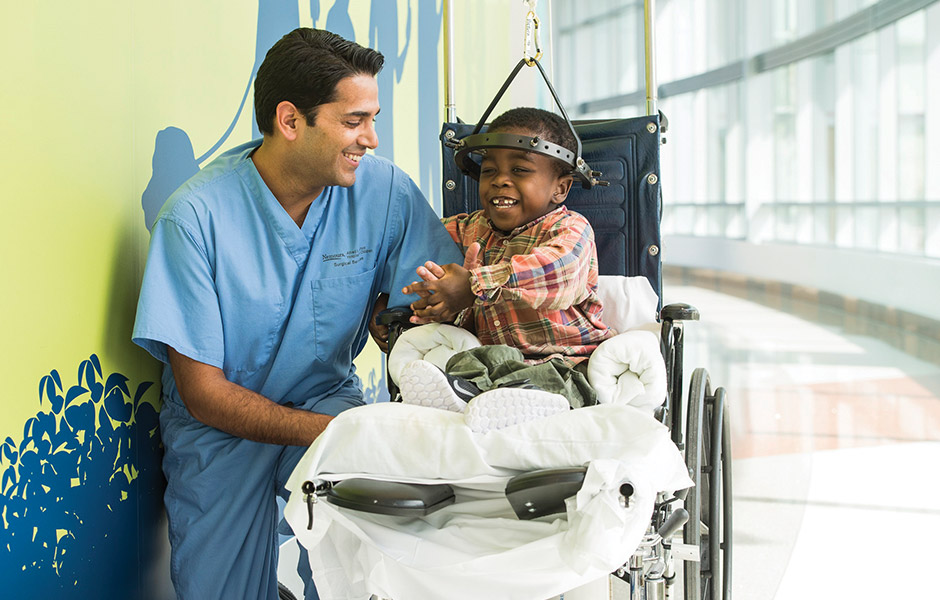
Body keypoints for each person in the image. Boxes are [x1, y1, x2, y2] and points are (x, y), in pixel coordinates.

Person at [131, 28, 462, 600]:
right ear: (290, 120)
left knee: (368, 569)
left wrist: (450, 297)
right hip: (219, 430)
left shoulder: (382, 191)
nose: (372, 139)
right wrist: (339, 431)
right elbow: (205, 393)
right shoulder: (194, 219)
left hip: (322, 399)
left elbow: (427, 306)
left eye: (373, 119)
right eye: (355, 120)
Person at [377, 107, 615, 431]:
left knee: (554, 383)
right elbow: (413, 252)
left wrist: (472, 285)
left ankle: (506, 405)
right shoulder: (467, 230)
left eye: (519, 170)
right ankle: (466, 399)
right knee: (461, 366)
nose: (500, 180)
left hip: (564, 362)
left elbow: (558, 272)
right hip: (492, 363)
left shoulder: (569, 229)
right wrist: (390, 298)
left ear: (560, 189)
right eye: (489, 171)